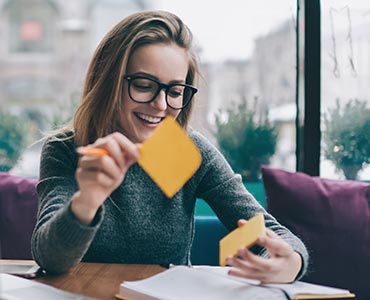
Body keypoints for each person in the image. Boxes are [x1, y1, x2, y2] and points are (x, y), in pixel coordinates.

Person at [31, 10, 308, 283]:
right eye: (143, 85)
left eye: (175, 91)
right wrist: (87, 200)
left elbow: (267, 231)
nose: (161, 105)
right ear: (107, 81)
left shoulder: (187, 151)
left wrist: (290, 262)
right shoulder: (67, 149)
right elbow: (50, 258)